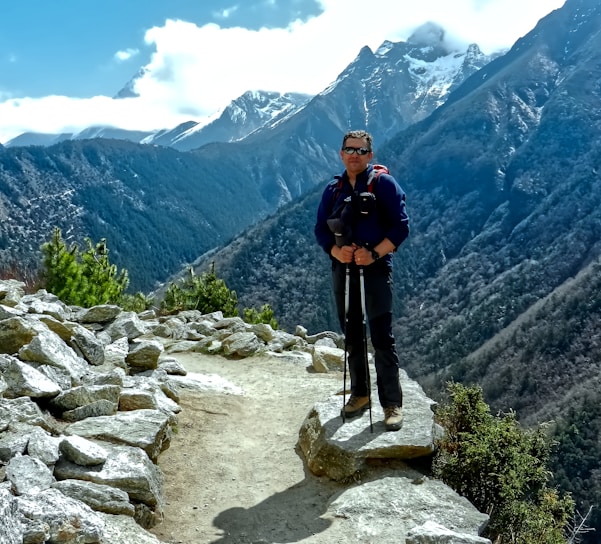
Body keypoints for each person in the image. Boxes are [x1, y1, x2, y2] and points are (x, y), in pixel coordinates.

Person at [314, 129, 409, 431]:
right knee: (352, 332)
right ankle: (360, 393)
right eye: (349, 149)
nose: (354, 155)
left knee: (381, 335)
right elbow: (320, 229)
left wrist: (374, 254)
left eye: (361, 150)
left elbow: (400, 227)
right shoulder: (333, 189)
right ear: (340, 153)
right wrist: (335, 251)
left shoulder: (383, 185)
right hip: (343, 269)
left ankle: (391, 404)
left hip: (375, 269)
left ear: (370, 155)